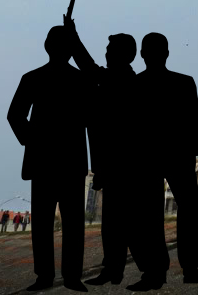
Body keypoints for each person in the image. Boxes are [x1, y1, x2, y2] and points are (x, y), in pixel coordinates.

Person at [65, 18, 154, 288]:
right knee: (115, 224)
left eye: (110, 48)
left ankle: (147, 271)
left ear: (122, 54)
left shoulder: (120, 80)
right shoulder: (122, 79)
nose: (106, 52)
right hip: (118, 164)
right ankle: (114, 270)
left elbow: (87, 66)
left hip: (121, 165)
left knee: (125, 224)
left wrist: (72, 36)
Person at [7, 24, 90, 291]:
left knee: (48, 224)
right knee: (67, 223)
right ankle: (68, 276)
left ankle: (50, 276)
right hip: (63, 161)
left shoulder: (35, 78)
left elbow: (16, 117)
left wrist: (34, 138)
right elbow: (15, 115)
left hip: (49, 161)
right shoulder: (78, 80)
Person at [132, 32, 198, 290]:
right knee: (187, 210)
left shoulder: (135, 85)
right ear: (167, 53)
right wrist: (189, 154)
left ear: (142, 54)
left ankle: (156, 271)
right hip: (177, 156)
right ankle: (190, 267)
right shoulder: (184, 82)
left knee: (149, 216)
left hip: (148, 159)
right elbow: (195, 123)